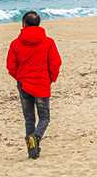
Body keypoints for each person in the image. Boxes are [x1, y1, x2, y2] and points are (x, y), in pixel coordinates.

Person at [6, 11, 61, 159]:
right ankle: (35, 139)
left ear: (24, 24)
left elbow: (11, 66)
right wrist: (51, 79)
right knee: (44, 117)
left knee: (29, 118)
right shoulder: (49, 42)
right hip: (41, 83)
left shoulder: (15, 43)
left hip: (24, 84)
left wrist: (19, 77)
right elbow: (55, 64)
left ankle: (32, 152)